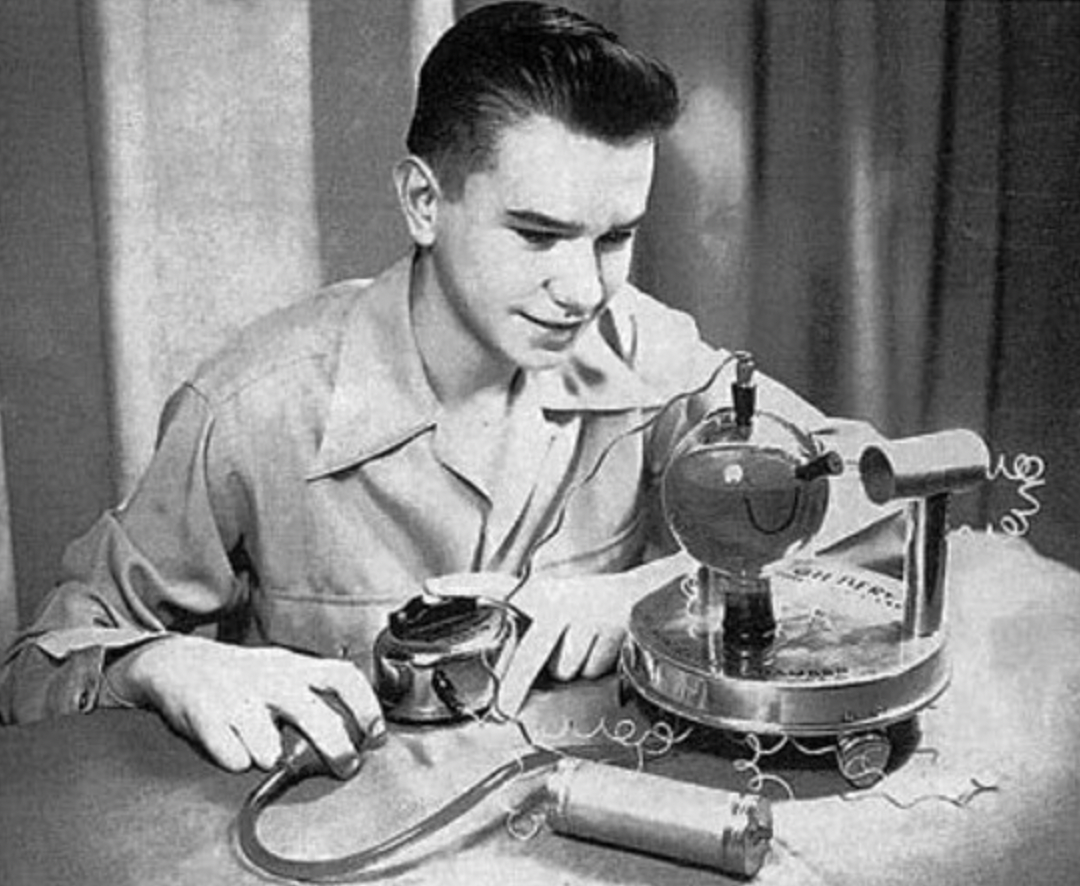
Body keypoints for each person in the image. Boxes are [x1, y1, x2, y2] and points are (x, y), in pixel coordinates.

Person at [0, 2, 877, 774]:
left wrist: (660, 592)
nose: (582, 289)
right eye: (538, 235)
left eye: (615, 240)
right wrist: (159, 666)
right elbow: (34, 666)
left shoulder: (645, 347)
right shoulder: (251, 408)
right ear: (424, 201)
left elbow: (871, 494)